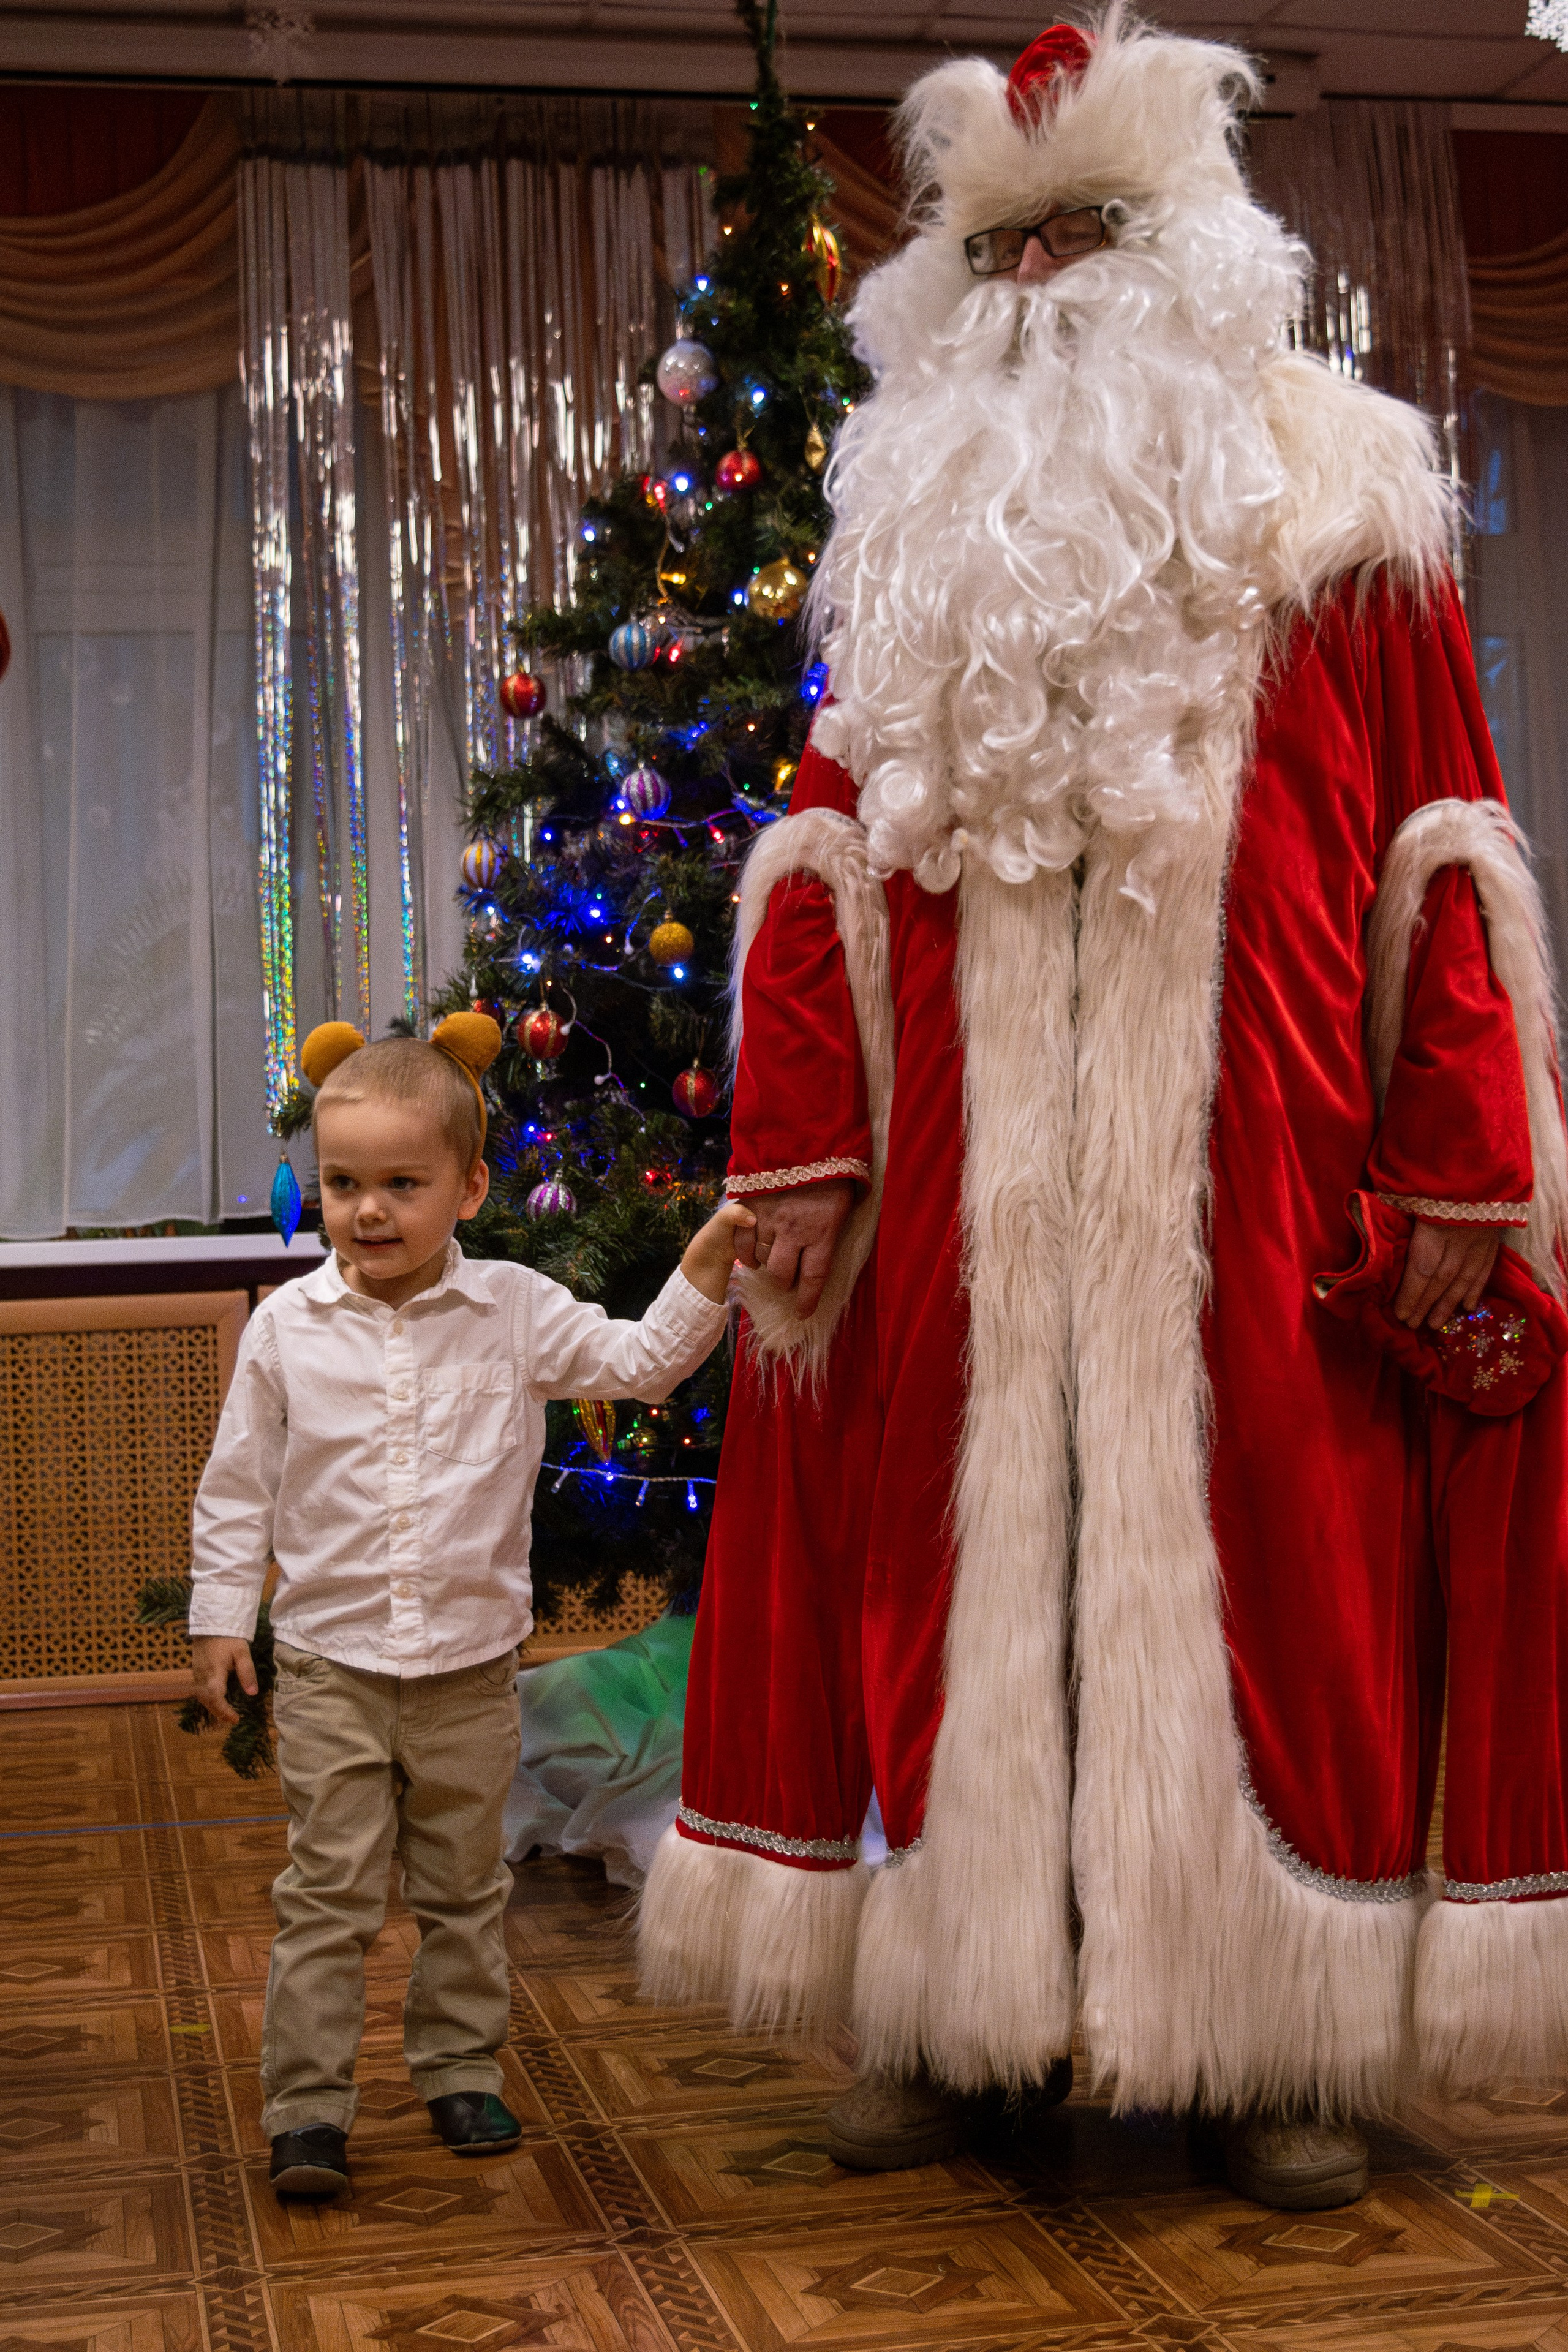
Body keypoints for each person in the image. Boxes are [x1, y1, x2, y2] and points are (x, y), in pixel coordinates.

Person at [639, 7, 1568, 2210]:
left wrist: (1455, 1152)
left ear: (1199, 256)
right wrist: (801, 1140)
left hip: (1264, 1178)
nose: (1041, 290)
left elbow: (1447, 842)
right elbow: (822, 858)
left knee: (1288, 1585)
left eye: (1090, 240)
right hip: (960, 1190)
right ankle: (959, 2013)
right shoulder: (913, 535)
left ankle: (1283, 2036)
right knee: (938, 1582)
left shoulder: (1347, 509)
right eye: (1006, 251)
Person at [188, 1012, 751, 2199]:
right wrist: (220, 1619)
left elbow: (637, 1361)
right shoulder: (287, 1330)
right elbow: (237, 1486)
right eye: (343, 1184)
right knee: (328, 1892)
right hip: (335, 1663)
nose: (369, 1211)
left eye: (402, 1183)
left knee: (462, 1887)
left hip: (466, 1671)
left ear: (470, 1187)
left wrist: (701, 1276)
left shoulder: (513, 1307)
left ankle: (455, 2070)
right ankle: (306, 2109)